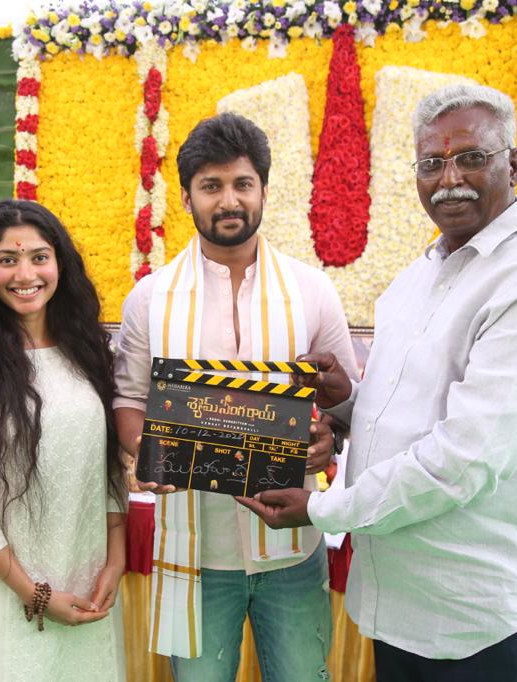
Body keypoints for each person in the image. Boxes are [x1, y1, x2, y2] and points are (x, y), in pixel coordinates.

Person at [237, 84, 517, 682]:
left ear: (514, 164)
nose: (449, 179)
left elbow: (463, 459)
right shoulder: (419, 276)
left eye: (471, 157)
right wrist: (346, 402)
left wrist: (324, 508)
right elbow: (411, 413)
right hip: (405, 610)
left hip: (487, 618)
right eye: (431, 163)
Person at [114, 113, 357, 681]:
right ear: (186, 197)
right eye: (212, 186)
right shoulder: (151, 297)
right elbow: (128, 399)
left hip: (293, 548)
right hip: (194, 553)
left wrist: (329, 440)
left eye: (243, 184)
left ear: (264, 190)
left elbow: (345, 402)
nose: (229, 200)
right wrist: (151, 452)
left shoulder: (311, 290)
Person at [0, 200, 127, 681]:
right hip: (3, 592)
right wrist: (33, 593)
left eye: (39, 257)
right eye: (8, 259)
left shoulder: (87, 353)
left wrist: (116, 558)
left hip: (87, 584)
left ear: (60, 264)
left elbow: (105, 468)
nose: (26, 274)